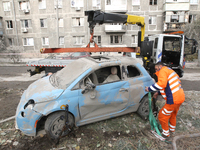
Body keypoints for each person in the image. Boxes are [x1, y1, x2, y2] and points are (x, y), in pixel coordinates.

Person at [145, 62, 185, 138]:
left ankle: (166, 134)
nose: (156, 71)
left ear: (160, 66)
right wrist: (158, 93)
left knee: (162, 116)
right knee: (172, 114)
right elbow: (167, 86)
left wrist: (149, 88)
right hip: (180, 97)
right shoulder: (169, 71)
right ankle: (172, 130)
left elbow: (162, 84)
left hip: (173, 99)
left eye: (157, 69)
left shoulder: (163, 70)